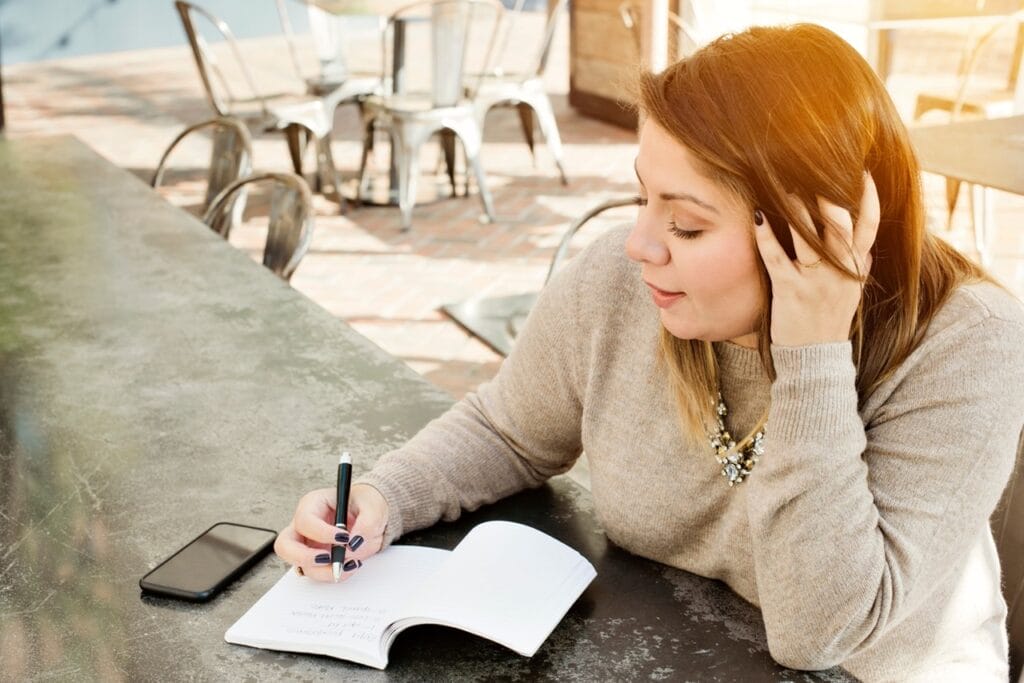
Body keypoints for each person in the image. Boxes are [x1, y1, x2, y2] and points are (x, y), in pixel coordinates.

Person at [274, 23, 1024, 681]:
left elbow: (819, 631)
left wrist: (812, 352)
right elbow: (506, 428)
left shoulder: (969, 341)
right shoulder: (621, 282)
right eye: (644, 197)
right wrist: (381, 500)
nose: (639, 245)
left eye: (689, 226)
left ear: (808, 229)